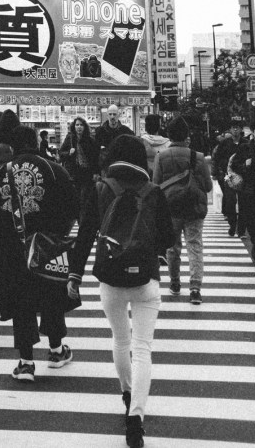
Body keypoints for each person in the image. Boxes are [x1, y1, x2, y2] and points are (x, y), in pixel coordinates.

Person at [79, 134, 174, 448]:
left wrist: (73, 275)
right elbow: (169, 239)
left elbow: (84, 235)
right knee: (143, 347)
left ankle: (126, 392)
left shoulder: (100, 189)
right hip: (146, 279)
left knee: (120, 338)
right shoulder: (154, 192)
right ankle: (136, 419)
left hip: (110, 278)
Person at [0, 126, 78, 383]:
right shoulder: (53, 169)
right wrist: (57, 235)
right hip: (46, 246)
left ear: (12, 146)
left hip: (11, 249)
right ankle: (57, 351)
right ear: (36, 142)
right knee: (51, 295)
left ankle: (26, 362)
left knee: (21, 303)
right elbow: (72, 205)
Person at [152, 116, 211, 304]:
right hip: (193, 208)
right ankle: (195, 288)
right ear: (186, 135)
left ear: (169, 135)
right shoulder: (198, 157)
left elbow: (156, 184)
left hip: (171, 209)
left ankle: (175, 283)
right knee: (194, 246)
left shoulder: (161, 157)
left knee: (172, 247)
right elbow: (208, 186)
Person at [229, 117, 255, 264]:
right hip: (250, 193)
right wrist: (245, 166)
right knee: (252, 223)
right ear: (252, 131)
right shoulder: (245, 148)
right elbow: (234, 166)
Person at [212, 117, 246, 236]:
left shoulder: (246, 143)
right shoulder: (224, 143)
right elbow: (216, 158)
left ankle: (241, 229)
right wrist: (217, 172)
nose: (235, 130)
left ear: (241, 129)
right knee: (230, 202)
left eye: (238, 128)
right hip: (228, 176)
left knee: (244, 204)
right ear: (230, 130)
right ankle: (232, 225)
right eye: (233, 128)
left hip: (244, 177)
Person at [59, 117, 100, 208]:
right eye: (77, 125)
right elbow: (61, 153)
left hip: (87, 173)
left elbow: (95, 157)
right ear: (74, 126)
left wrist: (96, 172)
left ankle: (83, 218)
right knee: (76, 196)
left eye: (81, 125)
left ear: (85, 127)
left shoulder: (90, 140)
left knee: (85, 197)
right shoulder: (70, 138)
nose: (79, 127)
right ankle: (78, 217)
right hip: (74, 172)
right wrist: (69, 153)